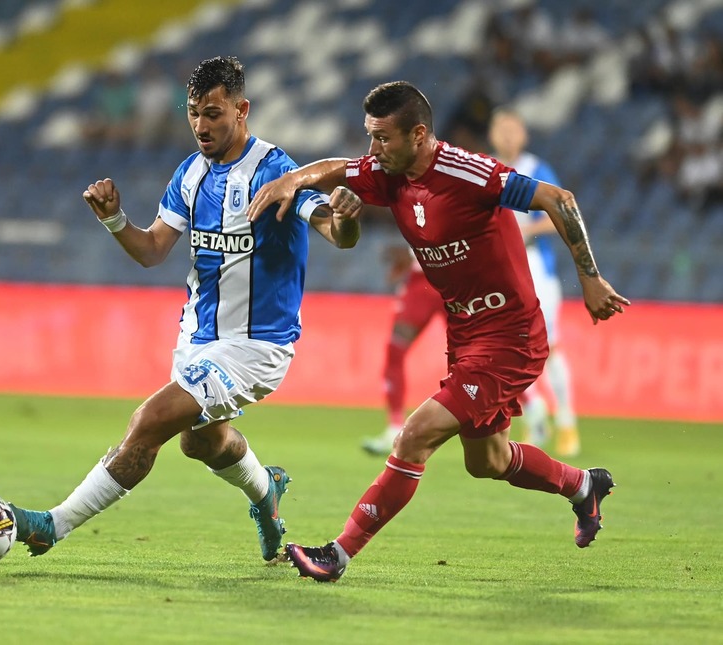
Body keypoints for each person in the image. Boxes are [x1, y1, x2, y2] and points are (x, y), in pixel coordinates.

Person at [246, 81, 629, 582]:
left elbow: (559, 199)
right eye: (370, 137)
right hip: (467, 336)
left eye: (382, 138)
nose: (373, 150)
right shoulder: (390, 174)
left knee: (414, 437)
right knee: (487, 460)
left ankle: (335, 555)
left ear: (419, 134)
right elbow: (338, 167)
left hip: (510, 338)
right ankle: (583, 486)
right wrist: (292, 180)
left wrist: (589, 277)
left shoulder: (470, 173)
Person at [7, 56, 363, 564]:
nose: (201, 125)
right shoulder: (191, 173)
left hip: (256, 344)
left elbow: (335, 232)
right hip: (197, 340)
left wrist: (348, 218)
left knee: (149, 421)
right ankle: (266, 492)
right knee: (200, 444)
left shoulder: (274, 169)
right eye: (194, 112)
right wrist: (114, 220)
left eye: (213, 113)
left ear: (242, 110)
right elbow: (153, 249)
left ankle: (52, 525)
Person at [487, 107, 580, 457]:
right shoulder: (485, 168)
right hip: (498, 274)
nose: (508, 135)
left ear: (524, 134)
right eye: (502, 129)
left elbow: (559, 213)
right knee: (505, 348)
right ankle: (534, 417)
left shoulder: (536, 169)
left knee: (550, 346)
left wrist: (521, 229)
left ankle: (567, 421)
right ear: (493, 134)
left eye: (514, 129)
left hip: (536, 271)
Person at [361, 246, 445, 456]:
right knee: (395, 350)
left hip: (455, 277)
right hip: (421, 282)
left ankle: (531, 408)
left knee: (475, 350)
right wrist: (410, 255)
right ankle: (394, 428)